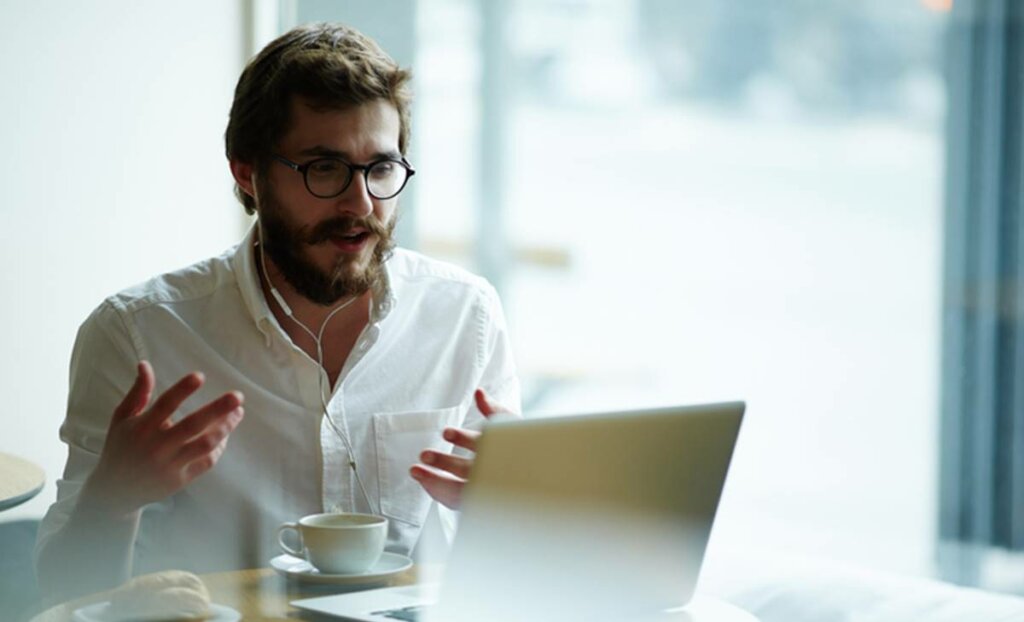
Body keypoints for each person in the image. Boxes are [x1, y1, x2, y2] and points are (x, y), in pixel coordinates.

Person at [34, 22, 519, 602]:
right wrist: (112, 500)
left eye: (381, 169)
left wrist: (508, 509)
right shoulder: (138, 334)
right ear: (248, 173)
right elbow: (59, 592)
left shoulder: (466, 315)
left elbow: (514, 567)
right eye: (325, 168)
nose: (361, 203)